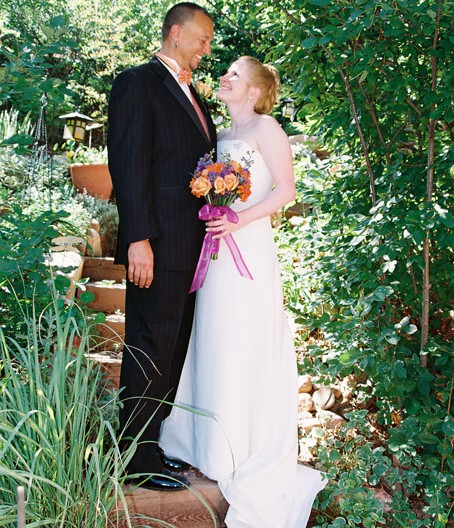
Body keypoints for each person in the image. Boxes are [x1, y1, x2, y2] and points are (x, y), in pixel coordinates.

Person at [160, 56, 327, 526]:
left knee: (240, 336)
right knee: (212, 335)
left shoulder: (267, 127)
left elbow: (286, 190)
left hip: (248, 247)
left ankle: (237, 447)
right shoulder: (220, 134)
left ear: (253, 92)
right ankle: (204, 442)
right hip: (216, 248)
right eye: (226, 73)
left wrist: (239, 218)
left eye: (235, 74)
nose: (225, 78)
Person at [107, 2, 216, 491]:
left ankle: (151, 447)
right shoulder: (137, 83)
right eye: (201, 39)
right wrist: (138, 240)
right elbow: (129, 167)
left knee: (171, 352)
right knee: (149, 347)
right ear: (176, 33)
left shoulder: (195, 95)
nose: (206, 48)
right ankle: (134, 460)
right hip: (157, 245)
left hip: (191, 250)